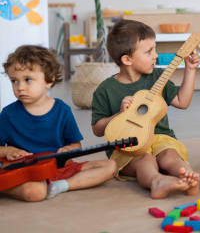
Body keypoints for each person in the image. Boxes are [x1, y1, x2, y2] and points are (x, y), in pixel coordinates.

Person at [91, 19, 200, 199]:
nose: (155, 55)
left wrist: (191, 70)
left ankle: (186, 175)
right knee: (145, 160)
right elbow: (97, 129)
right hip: (127, 146)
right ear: (127, 59)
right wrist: (120, 114)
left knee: (169, 156)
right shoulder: (105, 89)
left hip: (161, 138)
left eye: (155, 49)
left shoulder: (158, 77)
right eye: (149, 51)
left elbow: (182, 101)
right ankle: (156, 181)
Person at [0, 45, 116, 202]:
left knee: (110, 166)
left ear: (49, 80)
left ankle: (62, 185)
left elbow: (76, 145)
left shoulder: (62, 110)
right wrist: (9, 151)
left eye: (28, 80)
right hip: (25, 173)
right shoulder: (7, 114)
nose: (20, 87)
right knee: (36, 192)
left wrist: (68, 149)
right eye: (14, 81)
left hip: (58, 167)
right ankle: (8, 185)